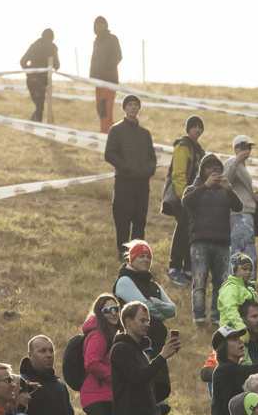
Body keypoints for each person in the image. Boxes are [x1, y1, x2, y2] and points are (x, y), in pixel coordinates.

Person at [183, 154, 243, 327]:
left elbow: (239, 206)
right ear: (202, 170)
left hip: (222, 243)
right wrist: (204, 186)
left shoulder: (225, 190)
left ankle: (217, 318)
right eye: (208, 167)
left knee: (221, 283)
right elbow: (186, 202)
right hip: (199, 241)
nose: (212, 171)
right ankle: (199, 318)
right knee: (199, 282)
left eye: (215, 168)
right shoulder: (193, 189)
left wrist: (229, 189)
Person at [111, 302, 182, 415]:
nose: (147, 324)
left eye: (148, 320)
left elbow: (146, 386)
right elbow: (139, 378)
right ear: (128, 321)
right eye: (142, 320)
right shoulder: (120, 349)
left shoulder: (141, 353)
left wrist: (157, 409)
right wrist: (162, 356)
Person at [104, 96, 156, 259]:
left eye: (136, 105)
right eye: (130, 105)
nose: (133, 107)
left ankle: (138, 255)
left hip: (142, 183)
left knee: (140, 221)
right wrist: (127, 168)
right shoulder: (116, 130)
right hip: (124, 182)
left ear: (139, 108)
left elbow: (152, 157)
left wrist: (148, 171)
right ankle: (123, 255)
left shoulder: (145, 134)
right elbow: (109, 154)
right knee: (123, 220)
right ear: (125, 108)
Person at [115, 240, 179, 360]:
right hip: (135, 346)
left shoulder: (154, 286)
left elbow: (172, 310)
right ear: (132, 259)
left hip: (157, 345)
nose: (146, 259)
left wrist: (156, 303)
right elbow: (144, 306)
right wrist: (161, 315)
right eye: (141, 256)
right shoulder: (124, 281)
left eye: (149, 257)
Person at [162, 117, 206, 285]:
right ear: (188, 129)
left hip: (196, 199)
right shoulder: (183, 147)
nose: (197, 130)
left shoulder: (199, 150)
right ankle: (174, 268)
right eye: (194, 126)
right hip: (185, 198)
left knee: (192, 233)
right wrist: (184, 197)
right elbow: (178, 174)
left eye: (200, 127)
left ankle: (188, 269)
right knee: (182, 232)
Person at [20, 335, 81, 415]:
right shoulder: (23, 385)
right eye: (42, 351)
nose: (49, 355)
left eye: (51, 351)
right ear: (30, 355)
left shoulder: (60, 386)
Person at [80, 293, 122, 415]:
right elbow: (91, 363)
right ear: (100, 313)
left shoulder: (110, 334)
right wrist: (114, 377)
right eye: (108, 310)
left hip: (107, 395)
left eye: (116, 309)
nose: (113, 313)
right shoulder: (99, 335)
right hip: (97, 396)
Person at [222, 135, 258, 276]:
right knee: (243, 255)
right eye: (243, 147)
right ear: (236, 148)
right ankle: (240, 284)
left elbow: (238, 188)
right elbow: (225, 180)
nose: (247, 150)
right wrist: (236, 160)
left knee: (246, 255)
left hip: (245, 215)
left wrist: (252, 195)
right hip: (240, 216)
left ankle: (245, 285)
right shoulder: (232, 162)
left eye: (249, 147)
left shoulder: (242, 166)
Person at [19, 28, 60, 123]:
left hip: (31, 80)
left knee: (39, 106)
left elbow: (22, 61)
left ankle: (34, 123)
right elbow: (57, 65)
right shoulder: (52, 47)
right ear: (52, 38)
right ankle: (34, 124)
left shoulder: (34, 46)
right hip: (41, 81)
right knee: (40, 106)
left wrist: (29, 71)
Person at [90, 16, 123, 132]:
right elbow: (94, 59)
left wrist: (106, 68)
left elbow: (118, 56)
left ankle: (107, 132)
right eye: (97, 24)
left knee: (105, 108)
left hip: (109, 80)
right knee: (100, 108)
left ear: (106, 25)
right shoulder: (96, 41)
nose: (100, 26)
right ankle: (107, 131)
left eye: (102, 24)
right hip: (98, 81)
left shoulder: (112, 39)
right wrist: (92, 75)